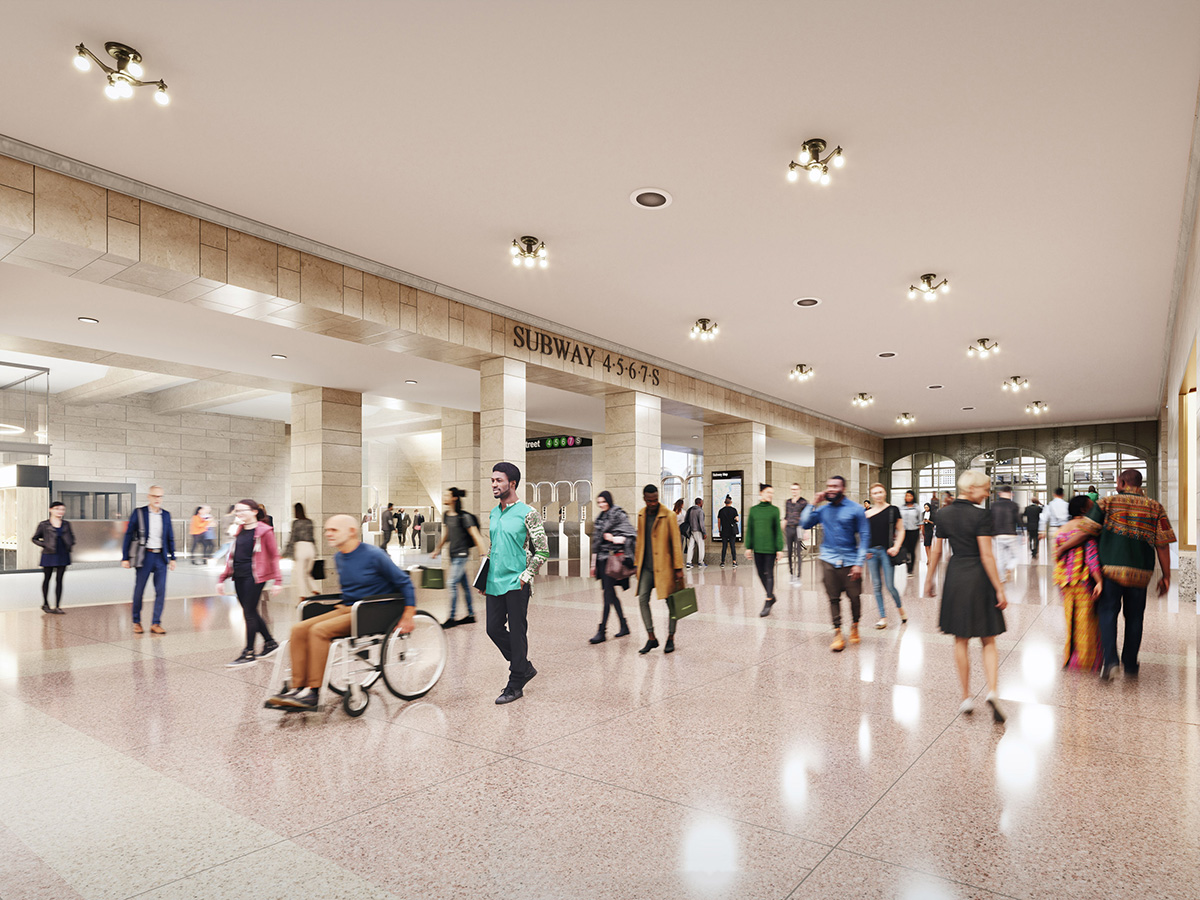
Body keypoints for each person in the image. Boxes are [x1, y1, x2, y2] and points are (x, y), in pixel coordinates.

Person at [267, 515, 416, 711]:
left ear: (352, 531)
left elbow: (404, 582)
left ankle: (313, 692)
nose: (328, 534)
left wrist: (408, 614)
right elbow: (349, 592)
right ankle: (297, 687)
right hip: (349, 608)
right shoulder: (339, 557)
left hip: (371, 611)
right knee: (299, 629)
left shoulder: (374, 554)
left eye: (334, 530)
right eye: (327, 530)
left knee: (319, 631)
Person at [1058, 468, 1175, 680]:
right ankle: (1130, 663)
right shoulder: (1155, 507)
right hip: (1140, 574)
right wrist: (1166, 576)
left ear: (1121, 482)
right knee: (1135, 617)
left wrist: (1063, 547)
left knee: (1107, 613)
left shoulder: (1107, 503)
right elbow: (1163, 545)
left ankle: (1110, 661)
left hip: (1110, 571)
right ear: (1139, 484)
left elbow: (1085, 532)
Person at [924, 470, 1007, 722]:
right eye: (984, 489)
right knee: (988, 639)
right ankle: (992, 690)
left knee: (960, 639)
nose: (987, 493)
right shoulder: (981, 515)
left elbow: (936, 551)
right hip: (979, 577)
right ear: (971, 489)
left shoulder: (943, 514)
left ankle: (966, 696)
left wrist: (929, 579)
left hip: (957, 575)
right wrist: (999, 587)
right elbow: (986, 555)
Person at [480, 462, 550, 704]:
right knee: (493, 628)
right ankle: (524, 666)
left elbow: (542, 551)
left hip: (517, 581)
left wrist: (526, 576)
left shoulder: (528, 513)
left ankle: (516, 682)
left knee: (518, 631)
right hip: (494, 580)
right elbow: (493, 548)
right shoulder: (493, 512)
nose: (494, 485)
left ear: (512, 483)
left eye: (498, 480)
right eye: (492, 480)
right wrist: (483, 576)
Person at [801, 476, 870, 652]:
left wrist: (859, 563)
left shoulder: (856, 509)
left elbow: (865, 536)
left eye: (834, 486)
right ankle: (837, 632)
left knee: (854, 597)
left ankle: (855, 625)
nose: (830, 489)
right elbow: (805, 523)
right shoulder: (823, 510)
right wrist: (814, 502)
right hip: (829, 560)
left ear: (843, 489)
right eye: (828, 486)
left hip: (850, 561)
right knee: (833, 598)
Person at [219, 498, 283, 667]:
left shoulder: (264, 531)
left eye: (242, 510)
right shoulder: (239, 530)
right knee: (251, 611)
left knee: (248, 612)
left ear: (254, 512)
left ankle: (249, 652)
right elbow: (232, 556)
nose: (239, 513)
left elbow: (274, 555)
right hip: (239, 575)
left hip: (255, 577)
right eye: (237, 511)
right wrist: (223, 577)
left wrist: (278, 580)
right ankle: (270, 643)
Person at [1054, 495, 1103, 671]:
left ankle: (1069, 658)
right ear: (1083, 510)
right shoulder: (1087, 528)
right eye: (1092, 505)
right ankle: (1086, 660)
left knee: (1070, 620)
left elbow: (1057, 556)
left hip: (1064, 582)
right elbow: (1091, 557)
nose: (1095, 507)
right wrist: (1099, 581)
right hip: (1083, 581)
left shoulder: (1061, 530)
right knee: (1086, 621)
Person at [635, 484, 685, 654]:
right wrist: (637, 564)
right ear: (644, 499)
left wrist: (678, 568)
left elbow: (676, 543)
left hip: (666, 567)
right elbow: (640, 541)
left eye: (655, 499)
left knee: (671, 603)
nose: (653, 503)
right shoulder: (641, 514)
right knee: (642, 600)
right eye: (649, 500)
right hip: (647, 568)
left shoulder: (669, 515)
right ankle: (651, 638)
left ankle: (671, 637)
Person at [121, 485, 177, 635]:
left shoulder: (166, 515)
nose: (158, 499)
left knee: (161, 591)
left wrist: (173, 557)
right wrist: (125, 557)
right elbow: (128, 535)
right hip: (144, 556)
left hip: (160, 557)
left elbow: (170, 537)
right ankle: (136, 621)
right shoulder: (139, 513)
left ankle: (156, 623)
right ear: (149, 496)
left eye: (160, 496)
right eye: (155, 496)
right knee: (139, 590)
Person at [587, 490, 635, 643]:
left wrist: (613, 538)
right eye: (599, 502)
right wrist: (593, 564)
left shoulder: (618, 514)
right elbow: (596, 543)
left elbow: (631, 536)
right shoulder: (600, 518)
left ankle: (602, 631)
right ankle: (624, 625)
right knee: (610, 594)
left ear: (609, 501)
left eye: (604, 502)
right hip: (602, 561)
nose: (601, 505)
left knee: (607, 595)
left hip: (613, 559)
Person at [433, 487, 485, 628]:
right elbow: (445, 535)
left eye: (446, 495)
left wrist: (483, 555)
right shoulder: (446, 515)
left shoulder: (465, 517)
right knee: (464, 585)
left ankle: (451, 617)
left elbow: (476, 536)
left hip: (461, 555)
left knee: (451, 583)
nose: (444, 497)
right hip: (453, 555)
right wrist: (437, 549)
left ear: (454, 498)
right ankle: (470, 614)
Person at [865, 483, 906, 629]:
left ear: (885, 493)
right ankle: (883, 617)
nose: (878, 495)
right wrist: (865, 550)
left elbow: (901, 530)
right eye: (875, 493)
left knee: (890, 585)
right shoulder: (867, 513)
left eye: (880, 492)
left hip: (886, 551)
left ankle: (900, 609)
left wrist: (896, 546)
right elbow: (864, 535)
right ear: (871, 495)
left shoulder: (893, 510)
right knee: (876, 585)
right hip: (871, 552)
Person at [744, 483, 784, 617]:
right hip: (758, 548)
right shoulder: (754, 510)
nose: (770, 495)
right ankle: (771, 596)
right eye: (768, 492)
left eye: (772, 493)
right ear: (761, 493)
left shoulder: (774, 510)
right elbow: (750, 529)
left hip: (770, 548)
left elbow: (777, 531)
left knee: (770, 574)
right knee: (761, 574)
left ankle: (768, 601)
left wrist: (779, 548)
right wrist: (748, 546)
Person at [32, 501, 75, 614]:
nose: (60, 511)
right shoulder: (44, 524)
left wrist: (70, 544)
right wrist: (45, 545)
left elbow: (72, 537)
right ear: (50, 509)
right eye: (57, 509)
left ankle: (57, 606)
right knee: (47, 579)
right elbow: (35, 538)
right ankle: (45, 604)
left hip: (63, 554)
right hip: (48, 555)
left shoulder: (66, 524)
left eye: (62, 509)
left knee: (59, 580)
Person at [284, 502, 318, 598]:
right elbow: (313, 538)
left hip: (301, 547)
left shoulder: (296, 523)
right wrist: (316, 552)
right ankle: (315, 589)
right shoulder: (310, 522)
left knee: (300, 574)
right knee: (307, 572)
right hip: (310, 547)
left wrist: (285, 553)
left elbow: (292, 538)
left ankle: (302, 595)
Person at [991, 486, 1022, 583]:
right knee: (1016, 556)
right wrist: (1024, 532)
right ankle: (1009, 568)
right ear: (1011, 494)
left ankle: (1001, 578)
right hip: (1011, 534)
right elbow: (1018, 520)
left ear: (1000, 493)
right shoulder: (1014, 505)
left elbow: (990, 520)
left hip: (997, 535)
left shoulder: (994, 505)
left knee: (1000, 558)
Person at [784, 484, 808, 581]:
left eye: (796, 489)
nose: (794, 491)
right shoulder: (788, 502)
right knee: (789, 551)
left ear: (799, 490)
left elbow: (806, 518)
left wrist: (806, 531)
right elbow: (786, 516)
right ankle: (791, 572)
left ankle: (799, 573)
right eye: (792, 489)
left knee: (798, 552)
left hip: (798, 528)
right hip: (789, 528)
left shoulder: (803, 502)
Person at [684, 497, 707, 568]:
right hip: (698, 531)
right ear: (700, 503)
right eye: (702, 502)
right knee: (701, 546)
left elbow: (686, 519)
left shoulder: (691, 510)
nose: (702, 503)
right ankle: (701, 562)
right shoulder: (700, 511)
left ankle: (688, 562)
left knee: (691, 546)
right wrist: (704, 532)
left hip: (691, 530)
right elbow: (701, 523)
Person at [717, 495, 739, 568]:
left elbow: (719, 522)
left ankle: (722, 562)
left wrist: (719, 530)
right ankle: (734, 562)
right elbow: (737, 519)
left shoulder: (721, 511)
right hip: (732, 531)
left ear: (724, 502)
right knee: (732, 546)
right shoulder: (734, 510)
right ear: (731, 502)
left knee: (724, 546)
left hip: (724, 531)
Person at [1023, 495, 1044, 561]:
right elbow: (1044, 508)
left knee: (1031, 538)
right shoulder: (1038, 508)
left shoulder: (1027, 508)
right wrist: (1040, 503)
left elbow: (1024, 515)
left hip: (1029, 526)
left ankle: (1031, 550)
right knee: (1036, 539)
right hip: (1036, 526)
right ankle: (1035, 550)